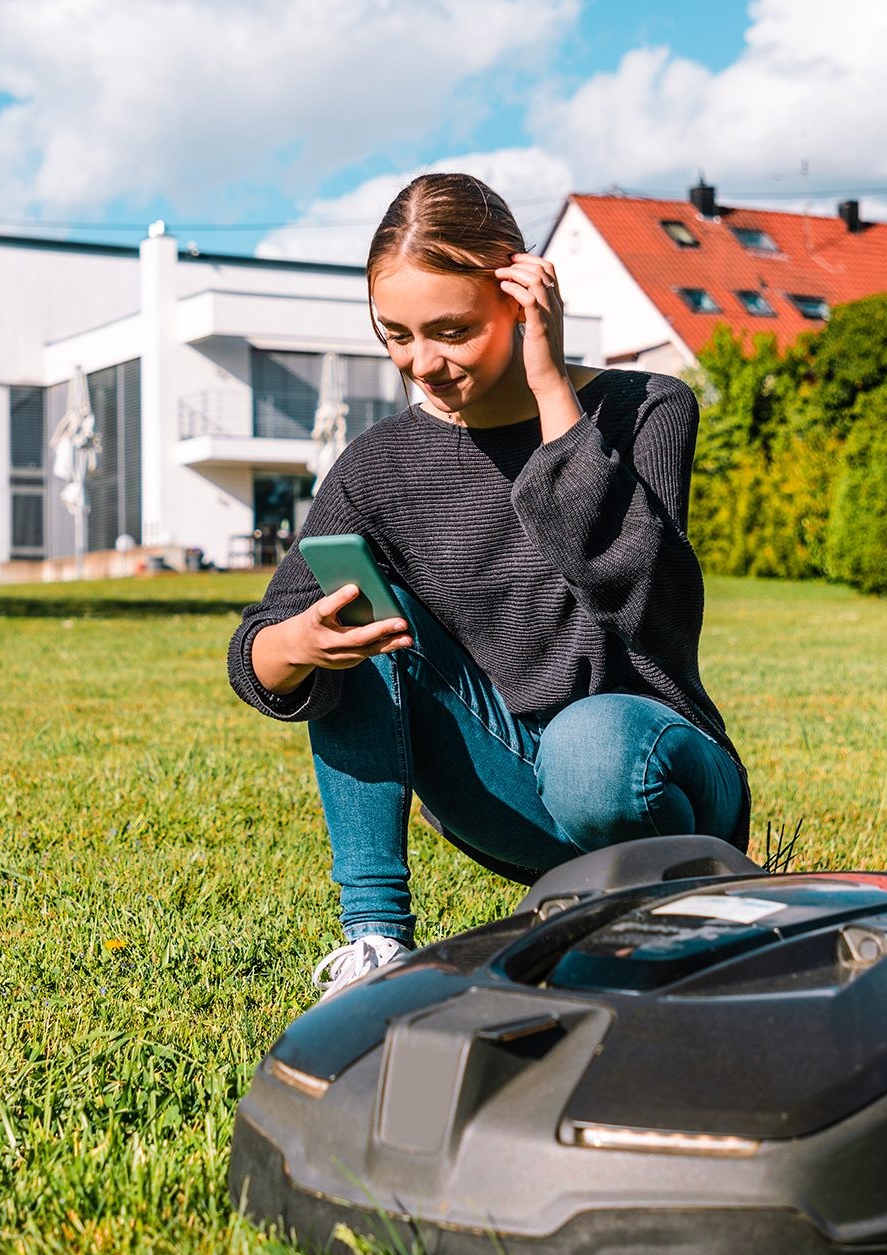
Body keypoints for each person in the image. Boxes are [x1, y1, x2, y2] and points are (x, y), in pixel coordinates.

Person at [227, 173, 749, 998]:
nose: (421, 363)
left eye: (452, 330)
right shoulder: (374, 469)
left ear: (523, 293)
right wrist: (295, 644)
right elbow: (257, 649)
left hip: (653, 771)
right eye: (394, 334)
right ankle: (375, 946)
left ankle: (682, 899)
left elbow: (644, 599)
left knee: (589, 746)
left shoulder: (647, 407)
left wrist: (550, 393)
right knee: (357, 621)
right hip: (507, 792)